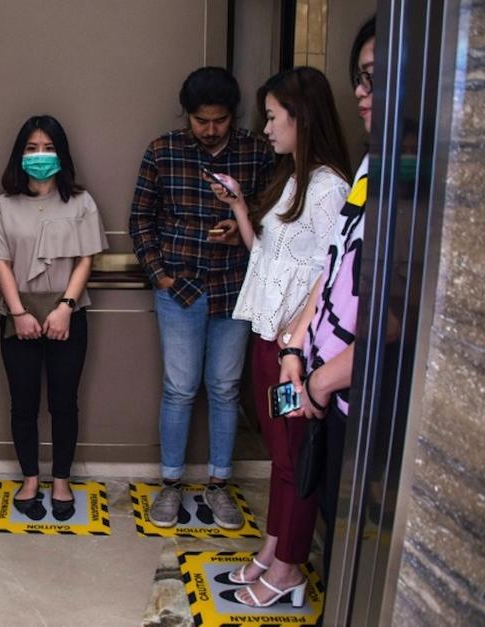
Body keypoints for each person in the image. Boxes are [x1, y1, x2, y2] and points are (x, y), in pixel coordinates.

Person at [206, 66, 351, 607]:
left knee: (293, 462)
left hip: (297, 354)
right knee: (280, 457)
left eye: (272, 117)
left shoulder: (333, 188)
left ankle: (288, 567)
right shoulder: (294, 179)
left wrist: (293, 343)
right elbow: (266, 255)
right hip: (270, 340)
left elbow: (328, 279)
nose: (265, 128)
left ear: (301, 116)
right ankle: (274, 548)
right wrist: (242, 208)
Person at [128, 67, 274, 530]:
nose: (211, 129)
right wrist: (159, 276)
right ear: (186, 115)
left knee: (226, 389)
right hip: (180, 289)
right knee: (178, 388)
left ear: (233, 115)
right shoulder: (163, 150)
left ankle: (218, 484)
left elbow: (276, 215)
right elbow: (140, 220)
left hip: (235, 288)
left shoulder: (257, 151)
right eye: (201, 120)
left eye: (220, 120)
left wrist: (244, 226)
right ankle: (170, 486)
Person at [277, 15, 378, 590]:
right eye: (358, 79)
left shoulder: (413, 185)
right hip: (325, 381)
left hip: (355, 396)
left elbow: (392, 323)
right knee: (334, 524)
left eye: (372, 78)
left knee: (359, 545)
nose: (360, 93)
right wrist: (296, 348)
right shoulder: (372, 165)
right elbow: (333, 266)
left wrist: (320, 383)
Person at [0, 115, 108, 520]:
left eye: (48, 147)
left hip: (67, 313)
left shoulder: (81, 201)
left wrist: (65, 308)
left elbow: (86, 258)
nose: (40, 156)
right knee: (22, 404)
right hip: (17, 313)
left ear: (62, 153)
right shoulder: (2, 205)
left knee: (63, 403)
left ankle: (60, 479)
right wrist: (19, 312)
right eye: (31, 148)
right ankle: (29, 478)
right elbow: (1, 263)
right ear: (20, 154)